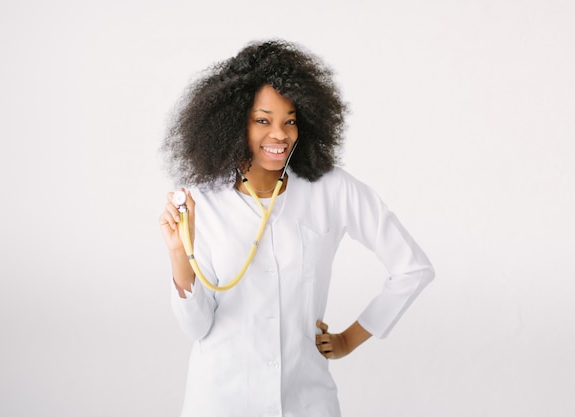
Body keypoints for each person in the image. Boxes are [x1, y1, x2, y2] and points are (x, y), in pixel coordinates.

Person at [159, 39, 435, 417]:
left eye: (290, 120)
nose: (280, 134)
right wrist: (179, 254)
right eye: (263, 120)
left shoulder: (332, 189)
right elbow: (197, 327)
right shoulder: (200, 203)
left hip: (307, 401)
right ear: (233, 122)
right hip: (222, 400)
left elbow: (412, 268)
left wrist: (349, 339)